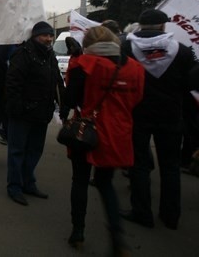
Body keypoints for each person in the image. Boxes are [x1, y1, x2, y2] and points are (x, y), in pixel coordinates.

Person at [59, 26, 144, 254]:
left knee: (80, 180)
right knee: (106, 184)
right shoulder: (136, 68)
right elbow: (137, 100)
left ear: (88, 45)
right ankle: (117, 238)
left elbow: (70, 98)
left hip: (87, 131)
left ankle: (78, 232)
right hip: (118, 133)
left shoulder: (85, 64)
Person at [121, 9, 197, 230]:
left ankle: (142, 212)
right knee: (170, 166)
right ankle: (170, 215)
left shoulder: (126, 48)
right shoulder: (181, 51)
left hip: (138, 113)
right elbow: (190, 84)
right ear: (164, 27)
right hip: (171, 115)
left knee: (139, 165)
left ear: (141, 26)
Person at [5, 21, 64, 206]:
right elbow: (12, 85)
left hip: (42, 113)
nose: (48, 39)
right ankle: (14, 187)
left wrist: (62, 102)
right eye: (44, 35)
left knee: (35, 150)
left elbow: (56, 80)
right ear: (35, 36)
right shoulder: (22, 54)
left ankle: (28, 182)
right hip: (22, 114)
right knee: (17, 151)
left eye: (50, 35)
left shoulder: (50, 55)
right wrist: (18, 109)